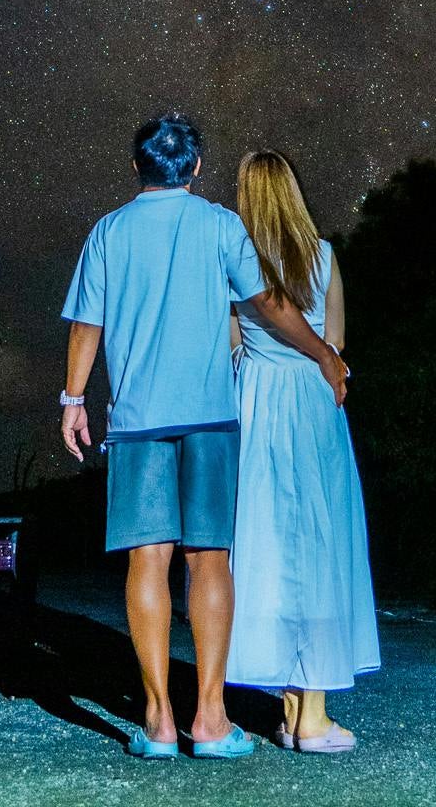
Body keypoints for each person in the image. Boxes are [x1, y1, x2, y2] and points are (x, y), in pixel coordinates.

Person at [61, 113, 348, 760]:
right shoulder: (220, 225)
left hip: (138, 420)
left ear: (136, 167)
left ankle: (159, 722)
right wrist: (322, 354)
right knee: (208, 559)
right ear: (193, 168)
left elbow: (85, 323)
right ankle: (211, 721)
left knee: (146, 559)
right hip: (210, 418)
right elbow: (268, 304)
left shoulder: (108, 231)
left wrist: (72, 399)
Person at [226, 149, 381, 752]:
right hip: (315, 403)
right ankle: (308, 714)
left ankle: (293, 706)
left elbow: (232, 344)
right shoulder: (323, 256)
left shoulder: (237, 260)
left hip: (259, 404)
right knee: (319, 541)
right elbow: (334, 342)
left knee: (267, 546)